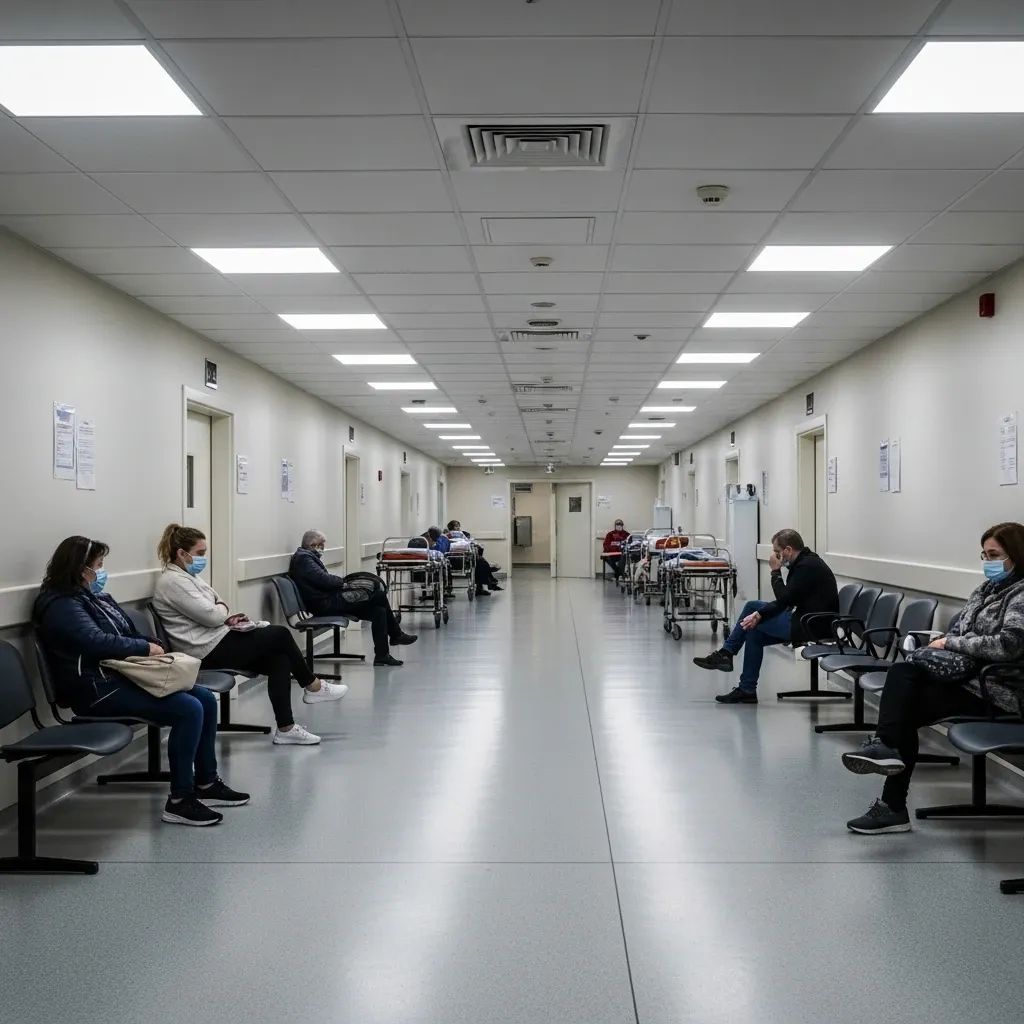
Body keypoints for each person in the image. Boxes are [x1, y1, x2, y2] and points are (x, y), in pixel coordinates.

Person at [33, 536, 248, 827]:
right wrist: (143, 649)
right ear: (81, 570)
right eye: (98, 566)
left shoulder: (94, 599)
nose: (101, 572)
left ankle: (207, 783)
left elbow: (125, 631)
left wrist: (150, 643)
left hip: (120, 677)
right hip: (95, 690)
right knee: (188, 708)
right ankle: (180, 800)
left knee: (205, 699)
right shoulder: (60, 604)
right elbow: (94, 641)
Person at [841, 522, 1024, 835]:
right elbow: (959, 632)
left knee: (903, 696)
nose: (987, 562)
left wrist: (950, 644)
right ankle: (890, 786)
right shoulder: (985, 591)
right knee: (903, 697)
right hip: (968, 680)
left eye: (994, 554)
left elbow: (1009, 644)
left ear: (1017, 555)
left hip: (997, 691)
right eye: (984, 554)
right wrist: (946, 640)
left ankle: (891, 792)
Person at [154, 524, 346, 747]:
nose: (203, 558)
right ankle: (313, 686)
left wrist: (223, 612)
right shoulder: (173, 582)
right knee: (280, 635)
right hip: (202, 651)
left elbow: (217, 606)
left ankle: (286, 728)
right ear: (181, 553)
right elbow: (212, 614)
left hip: (215, 639)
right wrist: (222, 612)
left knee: (279, 660)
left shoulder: (189, 577)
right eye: (200, 553)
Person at [693, 528, 839, 704]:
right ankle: (746, 689)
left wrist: (775, 572)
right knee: (755, 633)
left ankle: (726, 653)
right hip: (804, 618)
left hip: (810, 625)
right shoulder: (805, 562)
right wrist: (759, 615)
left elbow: (784, 599)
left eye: (778, 552)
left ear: (788, 550)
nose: (776, 556)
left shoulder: (806, 566)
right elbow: (788, 600)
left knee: (753, 606)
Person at [289, 529, 416, 667]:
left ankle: (382, 655)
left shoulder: (307, 557)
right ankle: (396, 635)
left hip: (328, 600)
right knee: (378, 595)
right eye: (321, 544)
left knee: (378, 610)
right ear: (313, 544)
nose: (323, 548)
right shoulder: (304, 559)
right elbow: (324, 580)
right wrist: (342, 582)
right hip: (324, 604)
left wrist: (341, 583)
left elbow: (322, 580)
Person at [447, 519, 502, 595]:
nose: (458, 527)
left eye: (458, 526)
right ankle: (489, 577)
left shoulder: (446, 536)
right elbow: (468, 542)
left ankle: (489, 578)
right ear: (451, 527)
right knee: (480, 562)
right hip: (462, 558)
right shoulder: (459, 534)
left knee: (480, 562)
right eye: (456, 526)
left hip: (456, 558)